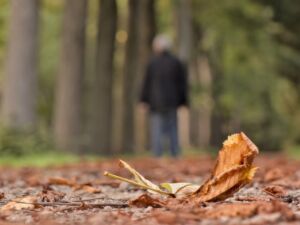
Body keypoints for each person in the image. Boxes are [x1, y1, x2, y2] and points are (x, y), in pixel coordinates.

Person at [140, 35, 188, 157]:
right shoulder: (176, 62)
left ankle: (157, 155)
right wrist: (183, 101)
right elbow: (182, 84)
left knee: (157, 129)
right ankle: (175, 153)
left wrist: (144, 100)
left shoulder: (153, 63)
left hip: (156, 102)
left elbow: (146, 83)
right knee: (172, 129)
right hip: (173, 102)